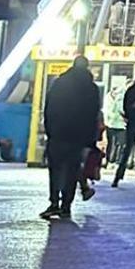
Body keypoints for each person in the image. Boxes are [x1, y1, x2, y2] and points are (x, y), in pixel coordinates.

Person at [41, 55, 101, 222]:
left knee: (55, 170)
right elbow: (93, 115)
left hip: (58, 133)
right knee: (72, 172)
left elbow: (50, 107)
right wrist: (90, 140)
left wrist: (49, 130)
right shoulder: (91, 88)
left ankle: (54, 202)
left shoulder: (60, 84)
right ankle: (66, 206)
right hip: (78, 137)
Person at [103, 81, 126, 166]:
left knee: (120, 144)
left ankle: (117, 161)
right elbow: (106, 110)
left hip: (121, 124)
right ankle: (109, 160)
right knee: (110, 143)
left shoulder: (122, 97)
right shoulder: (107, 98)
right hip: (110, 124)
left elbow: (123, 109)